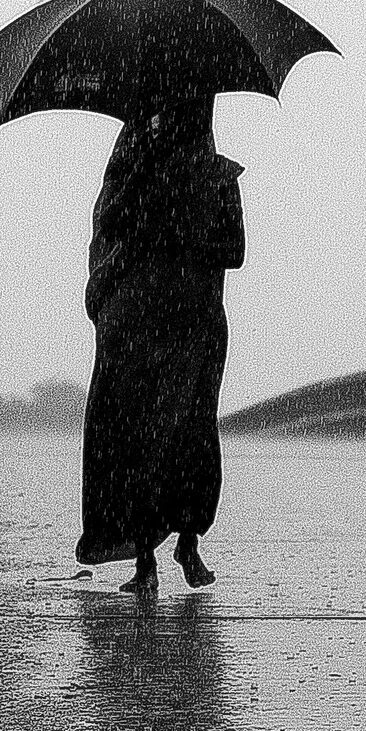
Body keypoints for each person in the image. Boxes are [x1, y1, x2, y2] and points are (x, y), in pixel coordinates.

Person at [75, 95, 245, 593]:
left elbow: (235, 251)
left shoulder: (219, 178)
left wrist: (181, 230)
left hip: (192, 322)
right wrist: (147, 197)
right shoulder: (135, 176)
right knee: (149, 433)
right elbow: (109, 227)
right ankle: (148, 558)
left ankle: (184, 544)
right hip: (154, 324)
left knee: (184, 431)